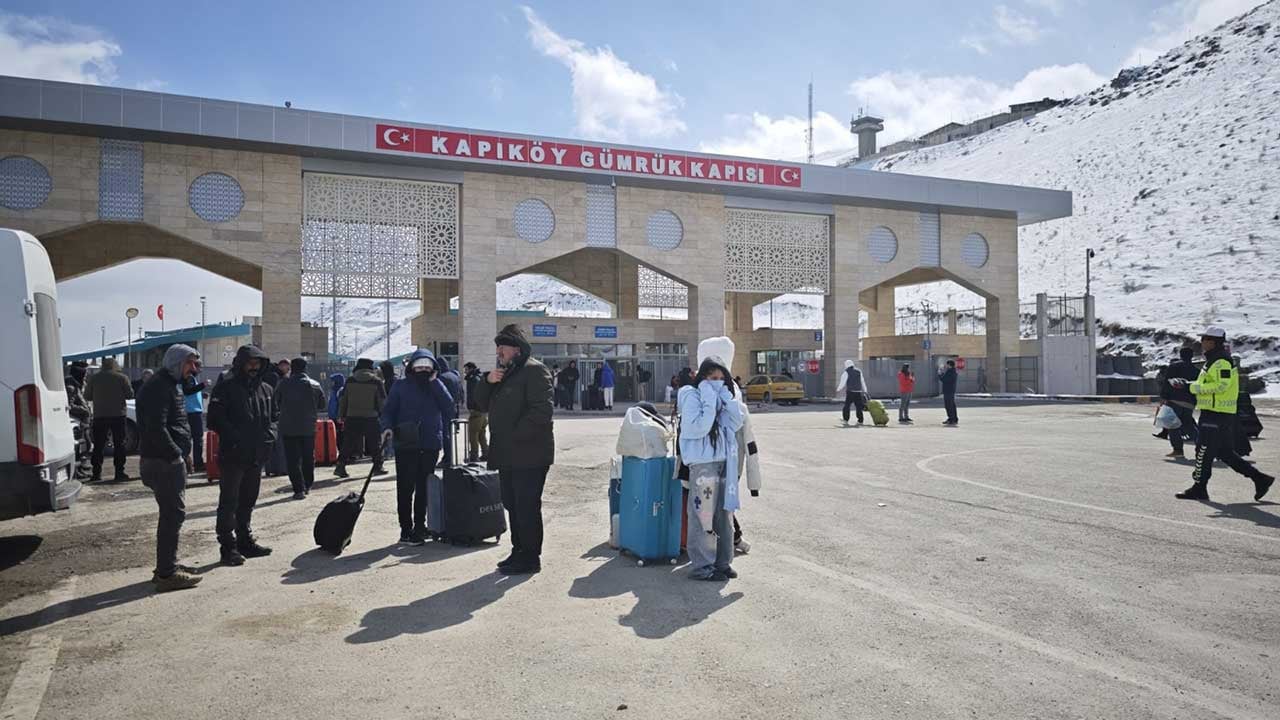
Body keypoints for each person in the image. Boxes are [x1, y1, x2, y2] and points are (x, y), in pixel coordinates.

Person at [474, 325, 554, 575]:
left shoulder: (534, 370)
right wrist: (487, 381)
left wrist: (514, 436)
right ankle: (518, 550)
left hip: (529, 454)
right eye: (497, 347)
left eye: (502, 347)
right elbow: (479, 403)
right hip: (508, 454)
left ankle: (531, 557)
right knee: (511, 503)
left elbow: (541, 411)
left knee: (527, 505)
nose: (498, 351)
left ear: (516, 349)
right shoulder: (504, 373)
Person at [1171, 326, 1273, 502]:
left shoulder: (1221, 362)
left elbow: (1220, 386)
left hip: (1216, 414)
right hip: (1217, 412)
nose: (1202, 342)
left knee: (1202, 449)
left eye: (1205, 339)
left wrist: (1191, 387)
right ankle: (1260, 479)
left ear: (1214, 341)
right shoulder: (1213, 360)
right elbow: (1210, 383)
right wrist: (1187, 383)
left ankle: (1199, 488)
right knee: (1225, 452)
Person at [135, 344, 203, 592]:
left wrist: (184, 454)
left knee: (172, 515)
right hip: (163, 462)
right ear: (176, 362)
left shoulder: (169, 384)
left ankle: (167, 566)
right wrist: (176, 454)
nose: (194, 370)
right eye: (190, 364)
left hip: (167, 460)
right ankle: (167, 574)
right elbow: (156, 428)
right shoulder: (159, 387)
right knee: (173, 515)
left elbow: (174, 424)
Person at [678, 338, 744, 581]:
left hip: (724, 461)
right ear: (701, 378)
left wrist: (726, 398)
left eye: (719, 379)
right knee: (702, 515)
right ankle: (702, 566)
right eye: (710, 378)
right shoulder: (691, 395)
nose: (715, 383)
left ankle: (722, 563)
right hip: (702, 464)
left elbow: (736, 423)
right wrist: (708, 397)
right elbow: (699, 428)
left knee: (724, 515)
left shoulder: (723, 395)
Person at [206, 345, 278, 566]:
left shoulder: (266, 389)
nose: (254, 367)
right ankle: (228, 547)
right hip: (234, 455)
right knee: (229, 502)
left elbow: (275, 417)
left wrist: (270, 436)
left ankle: (245, 540)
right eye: (250, 363)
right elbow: (215, 419)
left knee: (248, 500)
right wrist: (236, 438)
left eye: (258, 363)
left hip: (257, 455)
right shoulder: (226, 387)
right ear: (241, 363)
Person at [380, 349, 454, 544]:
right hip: (406, 443)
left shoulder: (437, 385)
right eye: (419, 367)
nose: (422, 370)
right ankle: (406, 529)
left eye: (426, 367)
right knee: (405, 488)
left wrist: (435, 382)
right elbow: (388, 411)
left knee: (424, 488)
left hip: (430, 443)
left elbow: (448, 406)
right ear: (411, 367)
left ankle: (421, 526)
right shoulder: (400, 386)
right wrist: (387, 428)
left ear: (433, 369)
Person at [273, 358, 326, 499]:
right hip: (309, 427)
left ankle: (299, 489)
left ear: (292, 368)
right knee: (308, 457)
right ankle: (308, 484)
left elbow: (275, 402)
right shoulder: (315, 384)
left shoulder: (283, 384)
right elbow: (322, 405)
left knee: (292, 459)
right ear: (305, 368)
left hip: (288, 427)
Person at [85, 356, 134, 482]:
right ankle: (119, 472)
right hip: (118, 415)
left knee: (99, 445)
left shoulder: (94, 378)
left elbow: (87, 396)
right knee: (119, 444)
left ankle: (96, 473)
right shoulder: (122, 378)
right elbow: (130, 395)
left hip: (100, 415)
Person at [335, 358, 386, 479]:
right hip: (371, 417)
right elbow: (381, 401)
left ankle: (340, 466)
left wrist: (341, 415)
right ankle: (378, 466)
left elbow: (343, 399)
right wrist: (382, 414)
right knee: (375, 443)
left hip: (352, 417)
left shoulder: (350, 380)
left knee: (348, 443)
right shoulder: (376, 381)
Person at [1159, 346, 1199, 459]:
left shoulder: (1174, 366)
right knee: (1189, 425)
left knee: (1173, 425)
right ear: (1192, 356)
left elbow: (1167, 382)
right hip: (1190, 403)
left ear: (1181, 355)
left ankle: (1178, 450)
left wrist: (1163, 397)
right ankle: (1203, 447)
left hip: (1175, 400)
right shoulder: (1197, 371)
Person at [434, 355, 465, 467]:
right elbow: (461, 391)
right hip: (454, 407)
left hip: (444, 409)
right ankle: (449, 456)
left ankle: (447, 458)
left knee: (445, 434)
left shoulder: (441, 377)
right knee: (450, 433)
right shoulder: (454, 376)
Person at [66, 362, 93, 480]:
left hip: (83, 421)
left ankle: (81, 468)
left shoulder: (78, 385)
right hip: (78, 422)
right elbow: (69, 405)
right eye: (85, 374)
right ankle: (77, 471)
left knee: (84, 447)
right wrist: (84, 410)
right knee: (80, 447)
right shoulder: (71, 387)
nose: (86, 376)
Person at [463, 361, 490, 463]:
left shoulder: (473, 379)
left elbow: (475, 395)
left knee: (473, 434)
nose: (465, 372)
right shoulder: (480, 377)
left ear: (470, 369)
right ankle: (486, 454)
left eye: (466, 369)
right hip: (483, 411)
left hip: (477, 411)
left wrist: (472, 407)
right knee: (481, 434)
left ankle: (474, 456)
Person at [182, 374, 208, 473]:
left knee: (189, 438)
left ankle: (188, 463)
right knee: (197, 438)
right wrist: (203, 385)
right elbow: (188, 391)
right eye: (198, 366)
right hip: (192, 412)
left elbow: (190, 392)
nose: (200, 369)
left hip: (191, 411)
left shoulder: (188, 378)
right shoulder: (189, 377)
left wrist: (201, 394)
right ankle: (197, 464)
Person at [836, 359, 867, 427]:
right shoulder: (859, 371)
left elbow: (842, 382)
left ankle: (846, 419)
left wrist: (838, 389)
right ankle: (860, 420)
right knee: (859, 407)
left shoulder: (846, 372)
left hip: (850, 392)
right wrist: (865, 390)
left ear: (846, 365)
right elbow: (862, 381)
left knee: (847, 406)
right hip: (858, 392)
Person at [327, 372, 346, 451]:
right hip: (333, 416)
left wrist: (339, 416)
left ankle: (342, 452)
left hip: (337, 417)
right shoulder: (334, 390)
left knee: (340, 436)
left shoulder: (339, 391)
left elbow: (339, 405)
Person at [940, 360, 959, 426]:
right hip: (951, 390)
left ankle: (951, 419)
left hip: (948, 390)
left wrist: (940, 374)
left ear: (950, 365)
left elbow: (944, 380)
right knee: (952, 405)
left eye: (947, 365)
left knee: (948, 405)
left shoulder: (950, 372)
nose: (946, 366)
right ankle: (954, 418)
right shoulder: (953, 371)